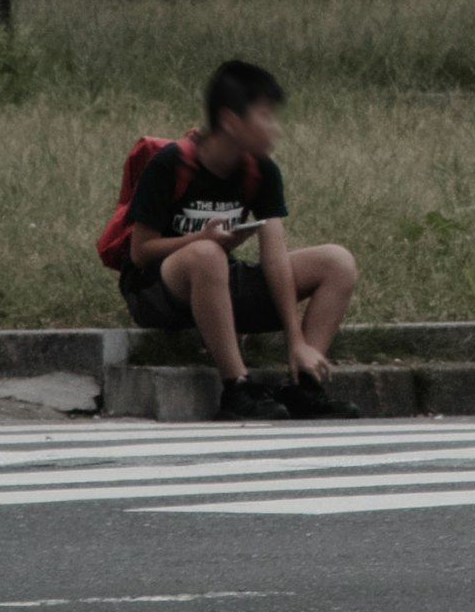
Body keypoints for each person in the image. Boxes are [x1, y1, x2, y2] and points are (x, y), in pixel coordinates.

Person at [115, 60, 361, 421]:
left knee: (336, 262)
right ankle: (236, 386)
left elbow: (274, 258)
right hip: (158, 292)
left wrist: (296, 342)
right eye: (265, 116)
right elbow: (140, 252)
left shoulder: (260, 171)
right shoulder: (172, 164)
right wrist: (202, 238)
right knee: (207, 254)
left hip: (217, 282)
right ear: (231, 121)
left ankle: (304, 385)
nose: (274, 127)